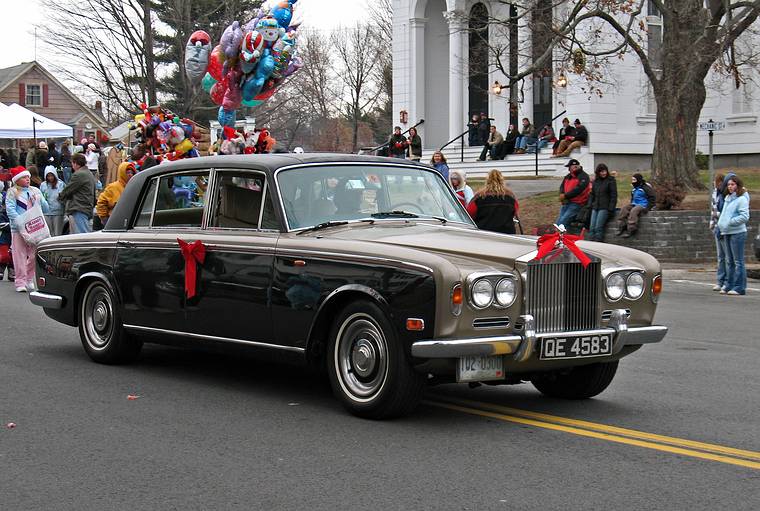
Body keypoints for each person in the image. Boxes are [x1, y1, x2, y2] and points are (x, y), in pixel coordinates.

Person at [4, 166, 49, 292]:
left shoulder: (35, 190)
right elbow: (10, 209)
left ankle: (29, 279)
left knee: (35, 255)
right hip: (18, 229)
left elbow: (46, 208)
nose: (28, 179)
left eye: (28, 177)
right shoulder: (12, 192)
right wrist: (20, 222)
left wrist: (40, 201)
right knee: (19, 255)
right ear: (17, 180)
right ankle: (20, 282)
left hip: (36, 228)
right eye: (24, 177)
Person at [717, 175, 750, 295]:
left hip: (737, 233)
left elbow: (744, 217)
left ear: (738, 185)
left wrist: (729, 222)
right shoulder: (727, 198)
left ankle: (739, 287)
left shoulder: (741, 199)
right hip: (726, 232)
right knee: (728, 261)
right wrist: (722, 224)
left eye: (733, 184)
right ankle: (728, 284)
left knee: (738, 261)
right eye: (729, 184)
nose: (730, 187)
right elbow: (724, 214)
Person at [466, 169, 519, 234]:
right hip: (506, 234)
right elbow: (515, 211)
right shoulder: (510, 196)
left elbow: (469, 214)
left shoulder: (479, 196)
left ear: (487, 180)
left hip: (484, 233)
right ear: (502, 180)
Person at [58, 153, 97, 234]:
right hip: (87, 206)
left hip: (79, 207)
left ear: (76, 163)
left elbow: (68, 189)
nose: (72, 165)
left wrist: (60, 197)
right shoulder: (89, 173)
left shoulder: (79, 174)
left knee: (82, 234)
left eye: (72, 163)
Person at [96, 162, 136, 229]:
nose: (130, 175)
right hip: (115, 222)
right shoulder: (112, 187)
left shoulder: (135, 186)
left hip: (130, 222)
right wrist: (104, 219)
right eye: (128, 173)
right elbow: (101, 203)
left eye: (132, 173)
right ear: (122, 173)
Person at [616, 173, 656, 238]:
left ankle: (631, 229)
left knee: (634, 211)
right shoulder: (634, 189)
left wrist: (648, 208)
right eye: (632, 180)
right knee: (624, 209)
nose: (633, 181)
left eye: (634, 180)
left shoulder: (645, 188)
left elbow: (652, 198)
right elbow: (633, 198)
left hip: (643, 205)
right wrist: (631, 204)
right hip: (634, 203)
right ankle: (621, 226)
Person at [556, 159, 591, 228]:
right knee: (559, 221)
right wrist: (562, 194)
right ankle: (559, 236)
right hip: (567, 202)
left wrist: (566, 196)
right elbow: (562, 187)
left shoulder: (584, 176)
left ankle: (559, 236)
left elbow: (578, 189)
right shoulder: (568, 176)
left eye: (570, 167)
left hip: (577, 203)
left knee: (563, 221)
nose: (569, 169)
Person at [586, 163, 617, 241]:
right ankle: (589, 246)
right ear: (598, 172)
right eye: (601, 171)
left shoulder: (611, 180)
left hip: (605, 207)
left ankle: (597, 246)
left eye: (605, 171)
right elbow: (592, 194)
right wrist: (590, 204)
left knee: (598, 228)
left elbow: (614, 196)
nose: (603, 173)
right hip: (595, 207)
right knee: (591, 228)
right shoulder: (596, 181)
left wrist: (611, 208)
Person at [710, 173, 730, 291]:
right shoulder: (715, 193)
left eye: (717, 182)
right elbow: (713, 210)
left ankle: (726, 280)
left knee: (727, 256)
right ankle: (720, 280)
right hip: (716, 227)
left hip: (723, 228)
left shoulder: (724, 195)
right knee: (720, 257)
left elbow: (721, 211)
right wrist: (712, 224)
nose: (715, 184)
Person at [40, 167, 65, 236]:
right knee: (49, 233)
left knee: (57, 233)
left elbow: (64, 196)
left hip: (58, 211)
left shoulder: (60, 184)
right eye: (48, 176)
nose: (50, 178)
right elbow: (41, 198)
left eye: (51, 175)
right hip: (46, 212)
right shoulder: (43, 185)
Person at [0, 180, 14, 282]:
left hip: (14, 238)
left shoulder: (14, 212)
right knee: (4, 256)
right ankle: (1, 269)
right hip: (4, 239)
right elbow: (1, 225)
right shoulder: (2, 214)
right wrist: (11, 225)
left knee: (13, 256)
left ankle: (12, 271)